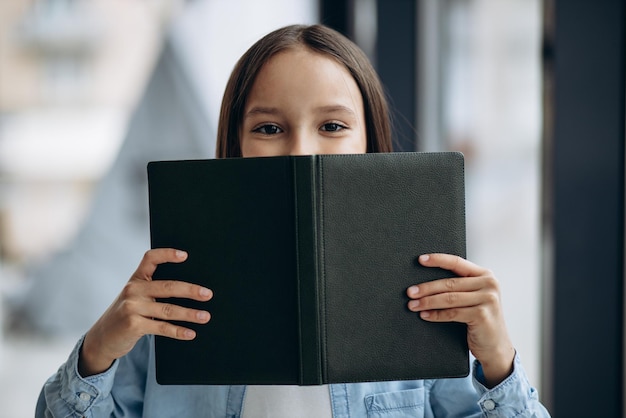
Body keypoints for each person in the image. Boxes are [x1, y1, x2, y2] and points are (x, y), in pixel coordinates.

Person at [36, 24, 550, 417]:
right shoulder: (175, 296)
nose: (301, 151)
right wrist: (99, 348)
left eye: (332, 125)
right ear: (234, 144)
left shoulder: (426, 294)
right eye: (269, 127)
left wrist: (499, 360)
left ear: (370, 141)